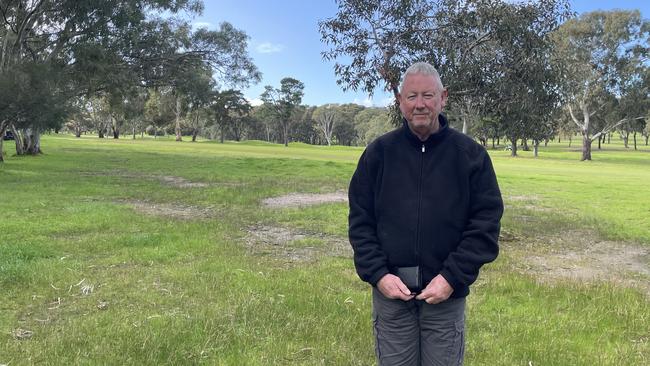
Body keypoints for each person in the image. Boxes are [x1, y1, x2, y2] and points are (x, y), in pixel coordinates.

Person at [348, 61, 503, 365]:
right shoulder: (378, 154)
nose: (420, 104)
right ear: (400, 101)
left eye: (428, 96)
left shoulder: (471, 156)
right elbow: (360, 223)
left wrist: (451, 277)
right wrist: (379, 275)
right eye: (412, 96)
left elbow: (485, 226)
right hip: (391, 297)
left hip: (445, 296)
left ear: (443, 98)